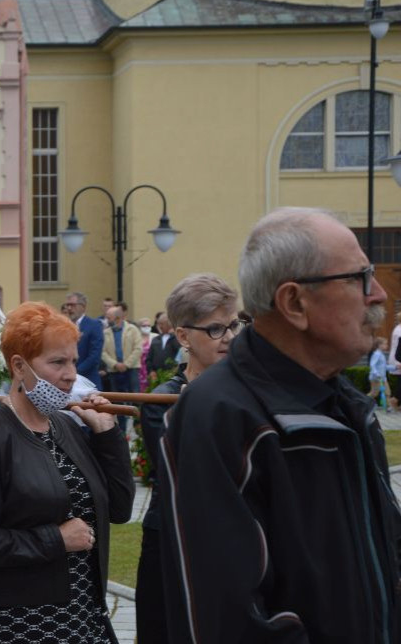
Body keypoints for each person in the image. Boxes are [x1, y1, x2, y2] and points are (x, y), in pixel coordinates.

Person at [159, 207, 401, 642]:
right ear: (293, 302)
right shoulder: (221, 415)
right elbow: (229, 619)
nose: (379, 294)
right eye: (359, 278)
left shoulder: (349, 406)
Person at [0, 302, 133, 644]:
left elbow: (119, 510)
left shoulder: (65, 426)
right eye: (57, 362)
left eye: (74, 362)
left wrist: (107, 436)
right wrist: (56, 539)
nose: (70, 375)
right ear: (19, 366)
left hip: (83, 608)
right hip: (20, 616)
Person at [134, 274, 240, 644]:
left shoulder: (250, 392)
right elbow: (188, 467)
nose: (228, 337)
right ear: (182, 337)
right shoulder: (162, 401)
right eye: (215, 329)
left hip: (238, 541)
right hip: (174, 540)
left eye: (233, 325)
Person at [101, 305, 142, 432]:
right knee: (117, 402)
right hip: (114, 371)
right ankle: (122, 430)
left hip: (131, 369)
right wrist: (115, 364)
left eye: (109, 318)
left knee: (135, 399)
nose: (107, 320)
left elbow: (138, 348)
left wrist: (127, 364)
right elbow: (103, 352)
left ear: (118, 318)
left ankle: (138, 428)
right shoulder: (105, 332)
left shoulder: (132, 329)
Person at [65, 292, 103, 388]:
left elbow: (95, 355)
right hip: (67, 381)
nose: (69, 308)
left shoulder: (94, 325)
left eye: (72, 305)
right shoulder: (64, 326)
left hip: (88, 379)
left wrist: (75, 371)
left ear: (83, 306)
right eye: (67, 305)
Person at [145, 312, 180, 383]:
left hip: (173, 375)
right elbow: (149, 358)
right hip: (157, 376)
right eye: (158, 324)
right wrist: (151, 371)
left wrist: (173, 334)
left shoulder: (177, 338)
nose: (159, 326)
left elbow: (179, 350)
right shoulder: (155, 339)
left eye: (162, 324)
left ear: (169, 324)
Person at [369, 336, 392, 409]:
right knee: (374, 393)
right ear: (379, 345)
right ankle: (364, 402)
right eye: (385, 344)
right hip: (376, 378)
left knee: (387, 392)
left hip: (382, 378)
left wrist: (395, 367)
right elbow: (372, 365)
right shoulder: (376, 354)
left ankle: (388, 406)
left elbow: (385, 367)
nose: (387, 346)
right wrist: (376, 374)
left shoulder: (382, 355)